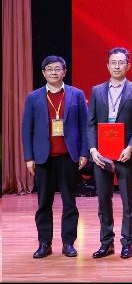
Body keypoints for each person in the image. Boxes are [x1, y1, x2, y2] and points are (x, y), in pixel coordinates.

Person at [21, 55, 89, 258]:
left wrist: (84, 152)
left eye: (57, 69)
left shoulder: (76, 94)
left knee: (70, 202)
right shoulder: (33, 97)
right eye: (49, 69)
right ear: (43, 73)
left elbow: (85, 126)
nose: (53, 72)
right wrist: (29, 157)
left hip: (69, 156)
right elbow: (26, 129)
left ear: (64, 72)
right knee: (43, 203)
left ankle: (68, 243)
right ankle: (44, 243)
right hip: (43, 158)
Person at [87, 47, 132, 259]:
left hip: (125, 153)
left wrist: (130, 147)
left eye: (121, 62)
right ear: (107, 65)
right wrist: (93, 150)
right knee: (103, 199)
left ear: (128, 66)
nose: (117, 66)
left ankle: (127, 242)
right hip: (101, 154)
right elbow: (91, 123)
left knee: (127, 200)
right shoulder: (97, 91)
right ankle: (106, 242)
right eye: (113, 62)